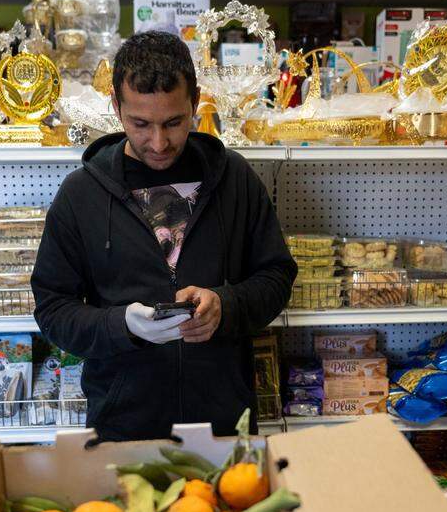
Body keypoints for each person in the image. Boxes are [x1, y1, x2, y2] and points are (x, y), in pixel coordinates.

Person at [32, 31, 297, 441]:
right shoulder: (80, 194)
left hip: (224, 420)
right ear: (117, 109)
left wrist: (224, 306)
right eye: (141, 124)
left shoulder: (235, 180)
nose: (158, 142)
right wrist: (124, 324)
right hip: (123, 424)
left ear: (195, 103)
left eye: (174, 122)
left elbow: (276, 277)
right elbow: (52, 310)